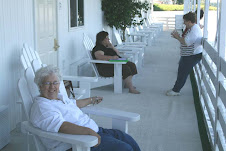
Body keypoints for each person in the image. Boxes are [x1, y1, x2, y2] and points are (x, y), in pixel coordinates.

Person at [30, 65, 141, 151]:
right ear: (40, 86)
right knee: (124, 149)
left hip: (94, 132)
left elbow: (74, 104)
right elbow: (61, 126)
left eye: (55, 83)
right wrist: (88, 132)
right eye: (47, 83)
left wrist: (91, 100)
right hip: (78, 143)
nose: (52, 87)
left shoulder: (59, 98)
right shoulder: (42, 107)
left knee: (127, 139)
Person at [166, 12, 203, 96]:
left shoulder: (195, 29)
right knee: (181, 72)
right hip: (188, 55)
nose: (184, 23)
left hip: (191, 56)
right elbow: (185, 40)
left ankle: (176, 91)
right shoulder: (192, 28)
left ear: (189, 21)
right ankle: (175, 89)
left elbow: (186, 42)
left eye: (185, 21)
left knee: (183, 73)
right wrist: (178, 37)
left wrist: (177, 37)